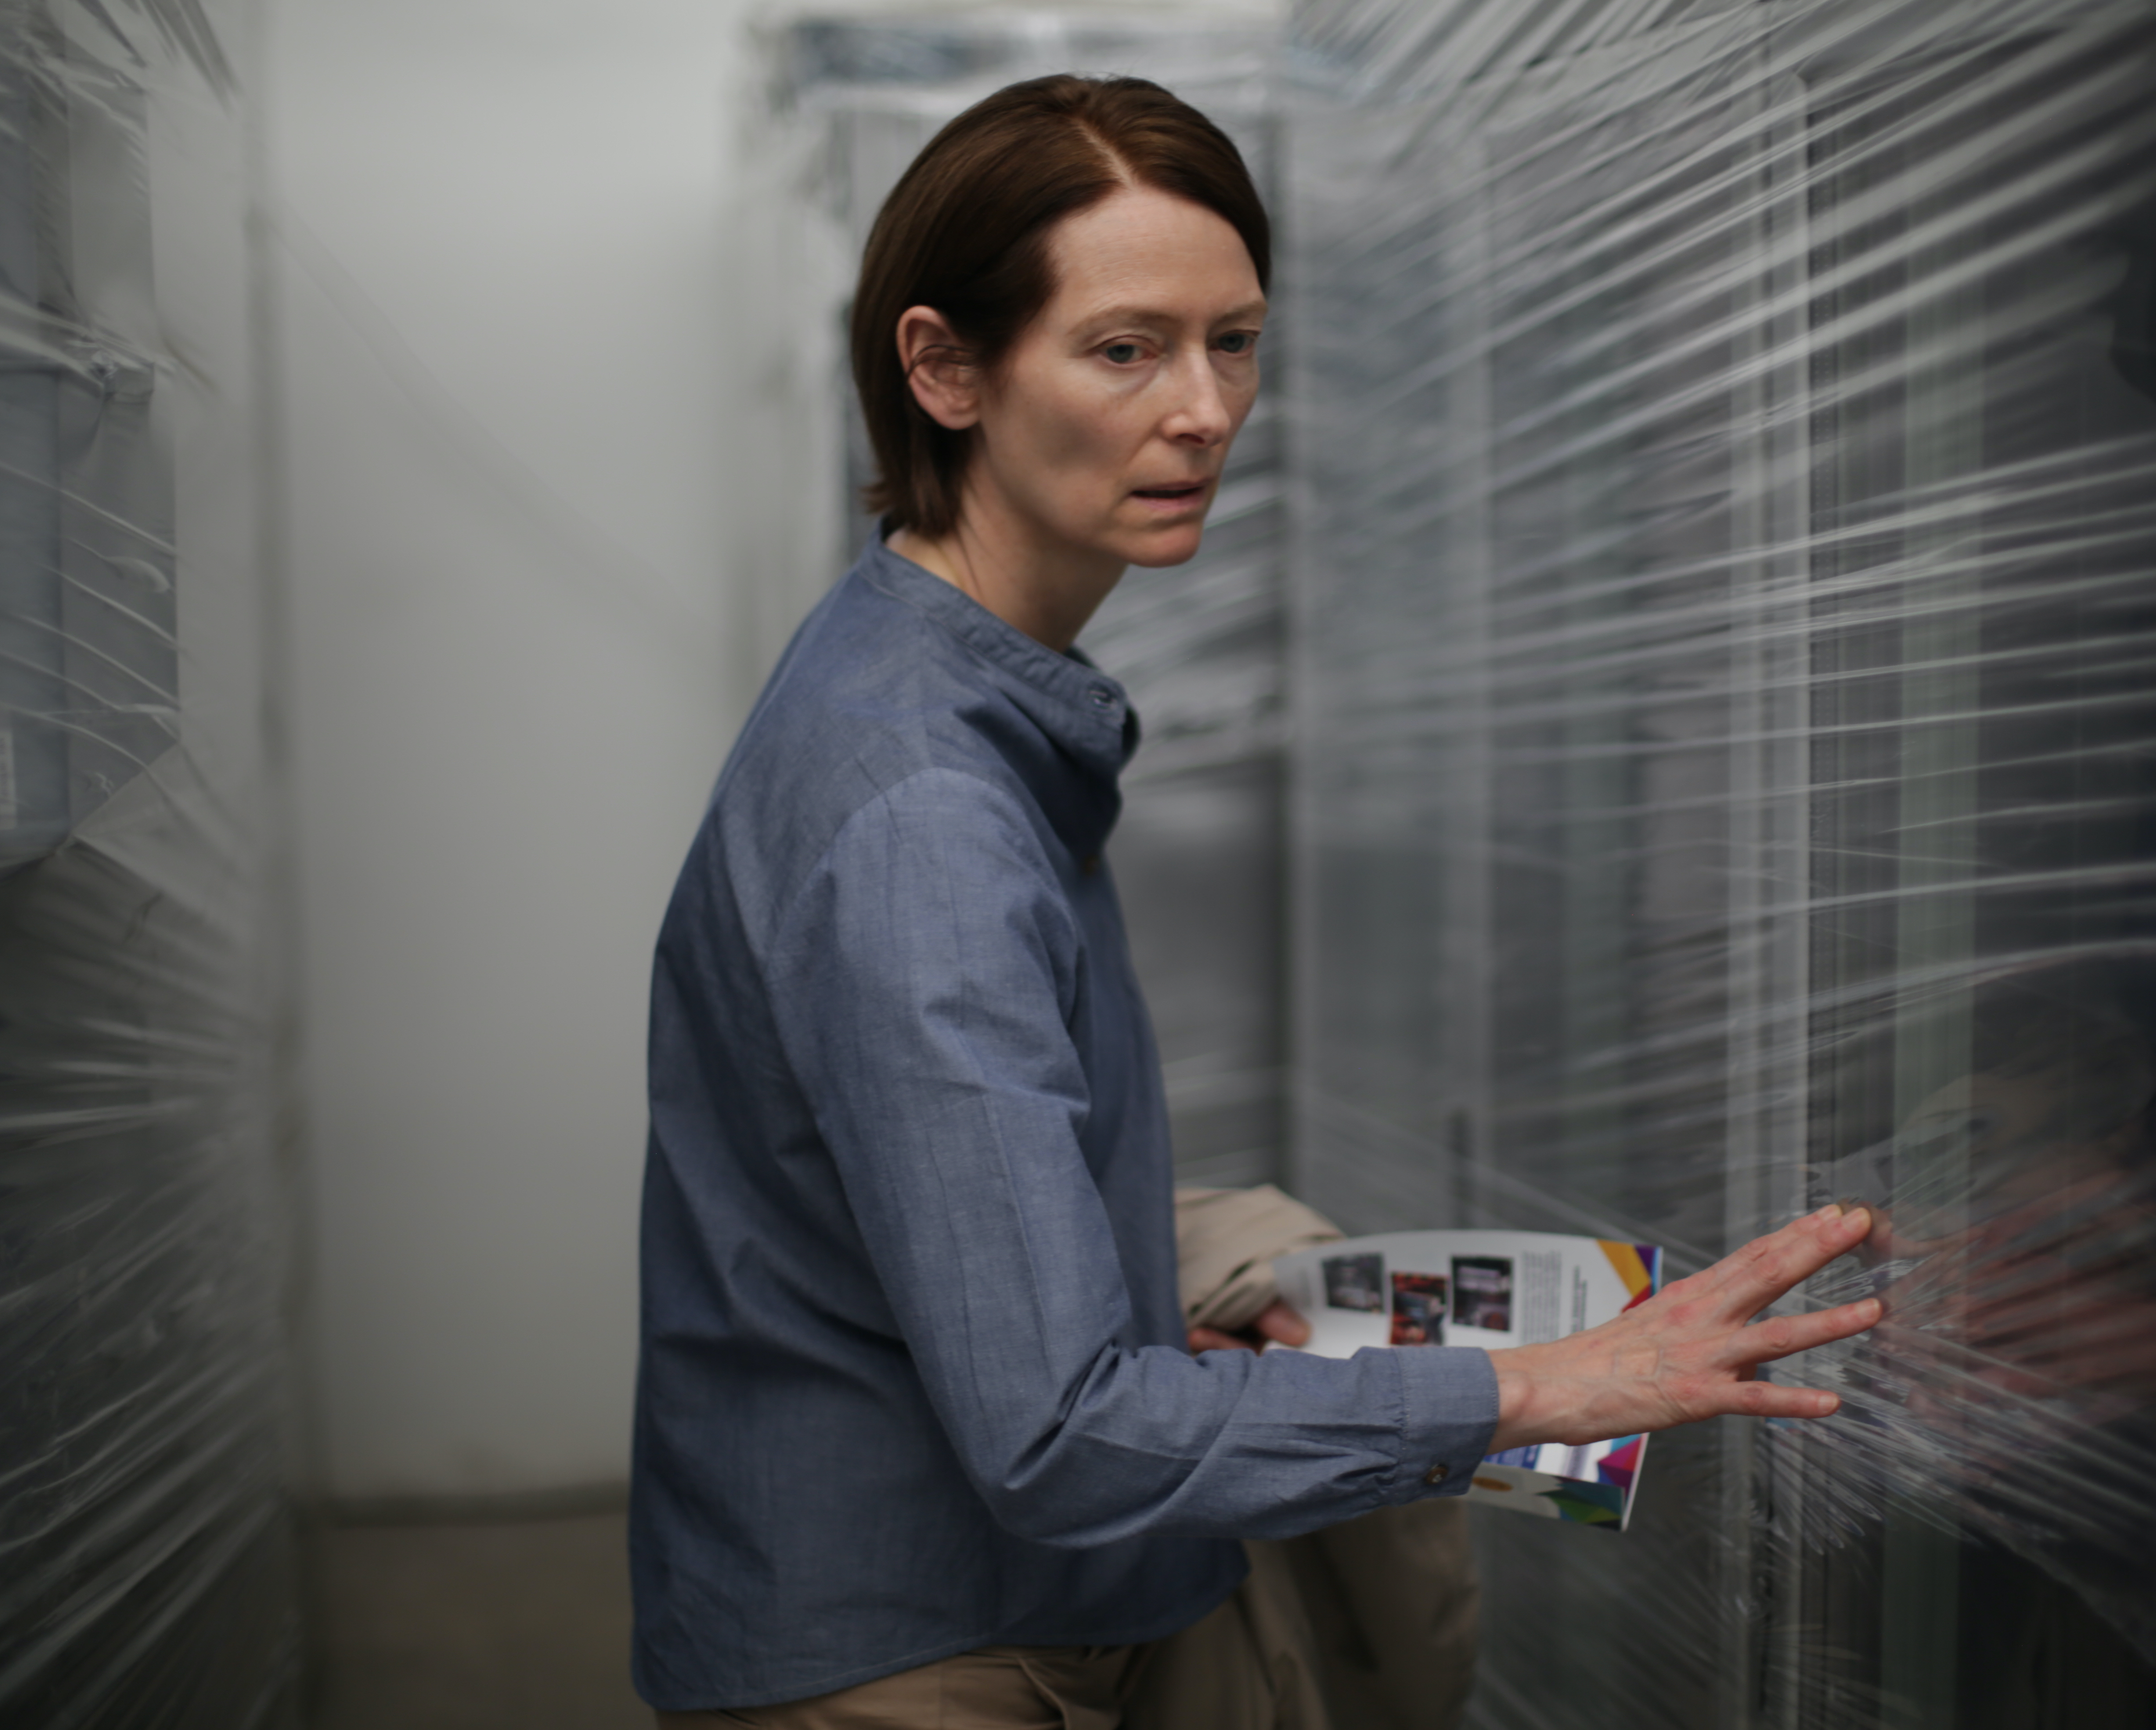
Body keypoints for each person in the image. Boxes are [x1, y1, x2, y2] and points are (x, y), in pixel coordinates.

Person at [629, 72, 1880, 1729]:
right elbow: (1059, 1437)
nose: (1207, 411)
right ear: (944, 369)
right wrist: (1543, 1388)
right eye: (1126, 347)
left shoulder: (939, 684)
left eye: (1236, 342)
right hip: (923, 1639)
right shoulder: (923, 812)